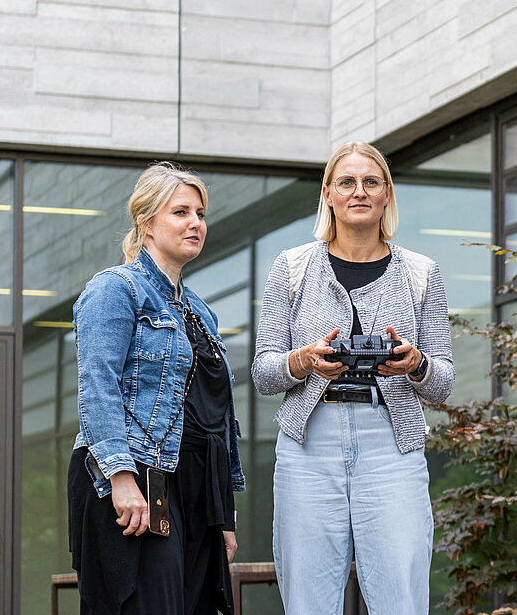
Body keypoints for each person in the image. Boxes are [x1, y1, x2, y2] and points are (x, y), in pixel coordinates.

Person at [251, 141, 455, 615]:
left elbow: (442, 381)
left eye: (371, 182)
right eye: (347, 182)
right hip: (308, 446)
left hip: (392, 446)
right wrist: (302, 361)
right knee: (308, 599)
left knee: (400, 597)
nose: (358, 191)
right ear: (328, 194)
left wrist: (415, 364)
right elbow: (263, 372)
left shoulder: (422, 273)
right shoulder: (292, 268)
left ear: (387, 194)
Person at [67, 163, 244, 615]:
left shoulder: (201, 311)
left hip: (197, 491)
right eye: (180, 212)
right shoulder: (115, 289)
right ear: (146, 222)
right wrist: (121, 480)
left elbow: (217, 414)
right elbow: (97, 387)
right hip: (140, 477)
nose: (195, 223)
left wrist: (222, 511)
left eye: (200, 213)